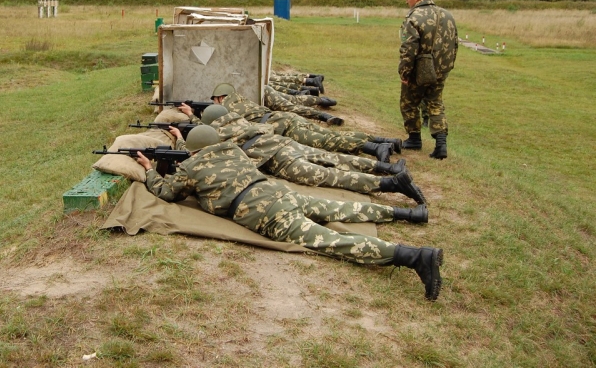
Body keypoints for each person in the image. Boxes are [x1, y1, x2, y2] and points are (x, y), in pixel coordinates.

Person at [134, 125, 444, 301]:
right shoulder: (231, 149)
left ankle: (415, 257)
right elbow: (202, 157)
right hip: (276, 192)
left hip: (266, 213)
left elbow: (166, 192)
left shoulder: (191, 167)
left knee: (330, 241)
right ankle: (409, 214)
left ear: (191, 150)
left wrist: (149, 169)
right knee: (341, 208)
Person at [192, 104, 425, 204]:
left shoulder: (216, 133)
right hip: (283, 143)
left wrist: (189, 121)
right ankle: (389, 168)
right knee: (335, 158)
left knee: (330, 176)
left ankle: (390, 183)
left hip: (278, 158)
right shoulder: (238, 120)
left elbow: (199, 144)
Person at [202, 83, 399, 163]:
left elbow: (217, 125)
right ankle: (385, 141)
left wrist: (194, 115)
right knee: (332, 135)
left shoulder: (227, 108)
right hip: (287, 119)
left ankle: (375, 148)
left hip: (285, 127)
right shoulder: (241, 99)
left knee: (328, 142)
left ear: (220, 97)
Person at [397, 0, 459, 159]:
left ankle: (414, 138)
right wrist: (446, 68)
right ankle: (441, 144)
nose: (407, 1)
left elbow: (409, 48)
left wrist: (405, 72)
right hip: (441, 70)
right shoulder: (447, 15)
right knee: (435, 102)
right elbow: (455, 43)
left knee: (408, 102)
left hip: (419, 70)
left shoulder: (414, 17)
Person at [263, 85, 342, 124]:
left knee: (287, 105)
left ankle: (321, 114)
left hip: (263, 91)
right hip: (261, 92)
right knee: (292, 100)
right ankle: (319, 100)